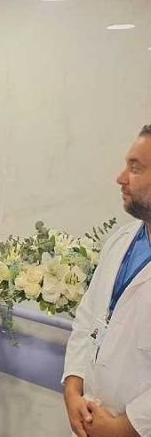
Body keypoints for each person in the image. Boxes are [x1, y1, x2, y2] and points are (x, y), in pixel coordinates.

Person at [62, 125, 151, 437]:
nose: (121, 178)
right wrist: (73, 389)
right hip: (91, 415)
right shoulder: (122, 240)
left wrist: (123, 427)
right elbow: (88, 319)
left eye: (135, 168)